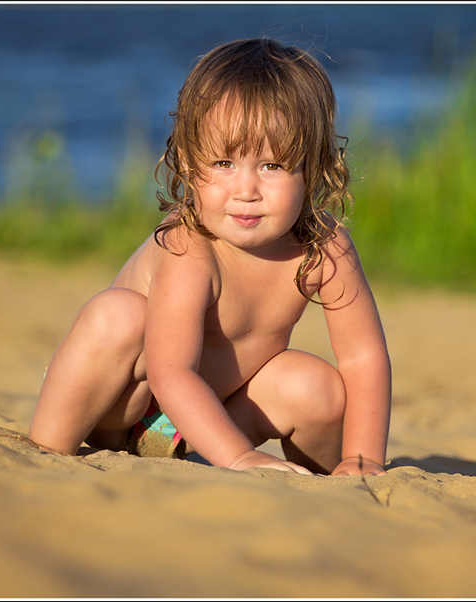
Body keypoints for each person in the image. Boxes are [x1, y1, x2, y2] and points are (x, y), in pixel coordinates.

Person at [28, 38, 391, 476]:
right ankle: (44, 450)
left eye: (272, 166)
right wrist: (240, 458)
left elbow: (363, 357)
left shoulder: (323, 248)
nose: (245, 190)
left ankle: (325, 483)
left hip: (197, 428)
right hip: (116, 409)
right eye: (222, 163)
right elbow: (171, 372)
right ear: (185, 162)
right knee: (117, 314)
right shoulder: (188, 245)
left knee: (318, 387)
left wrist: (363, 457)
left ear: (312, 168)